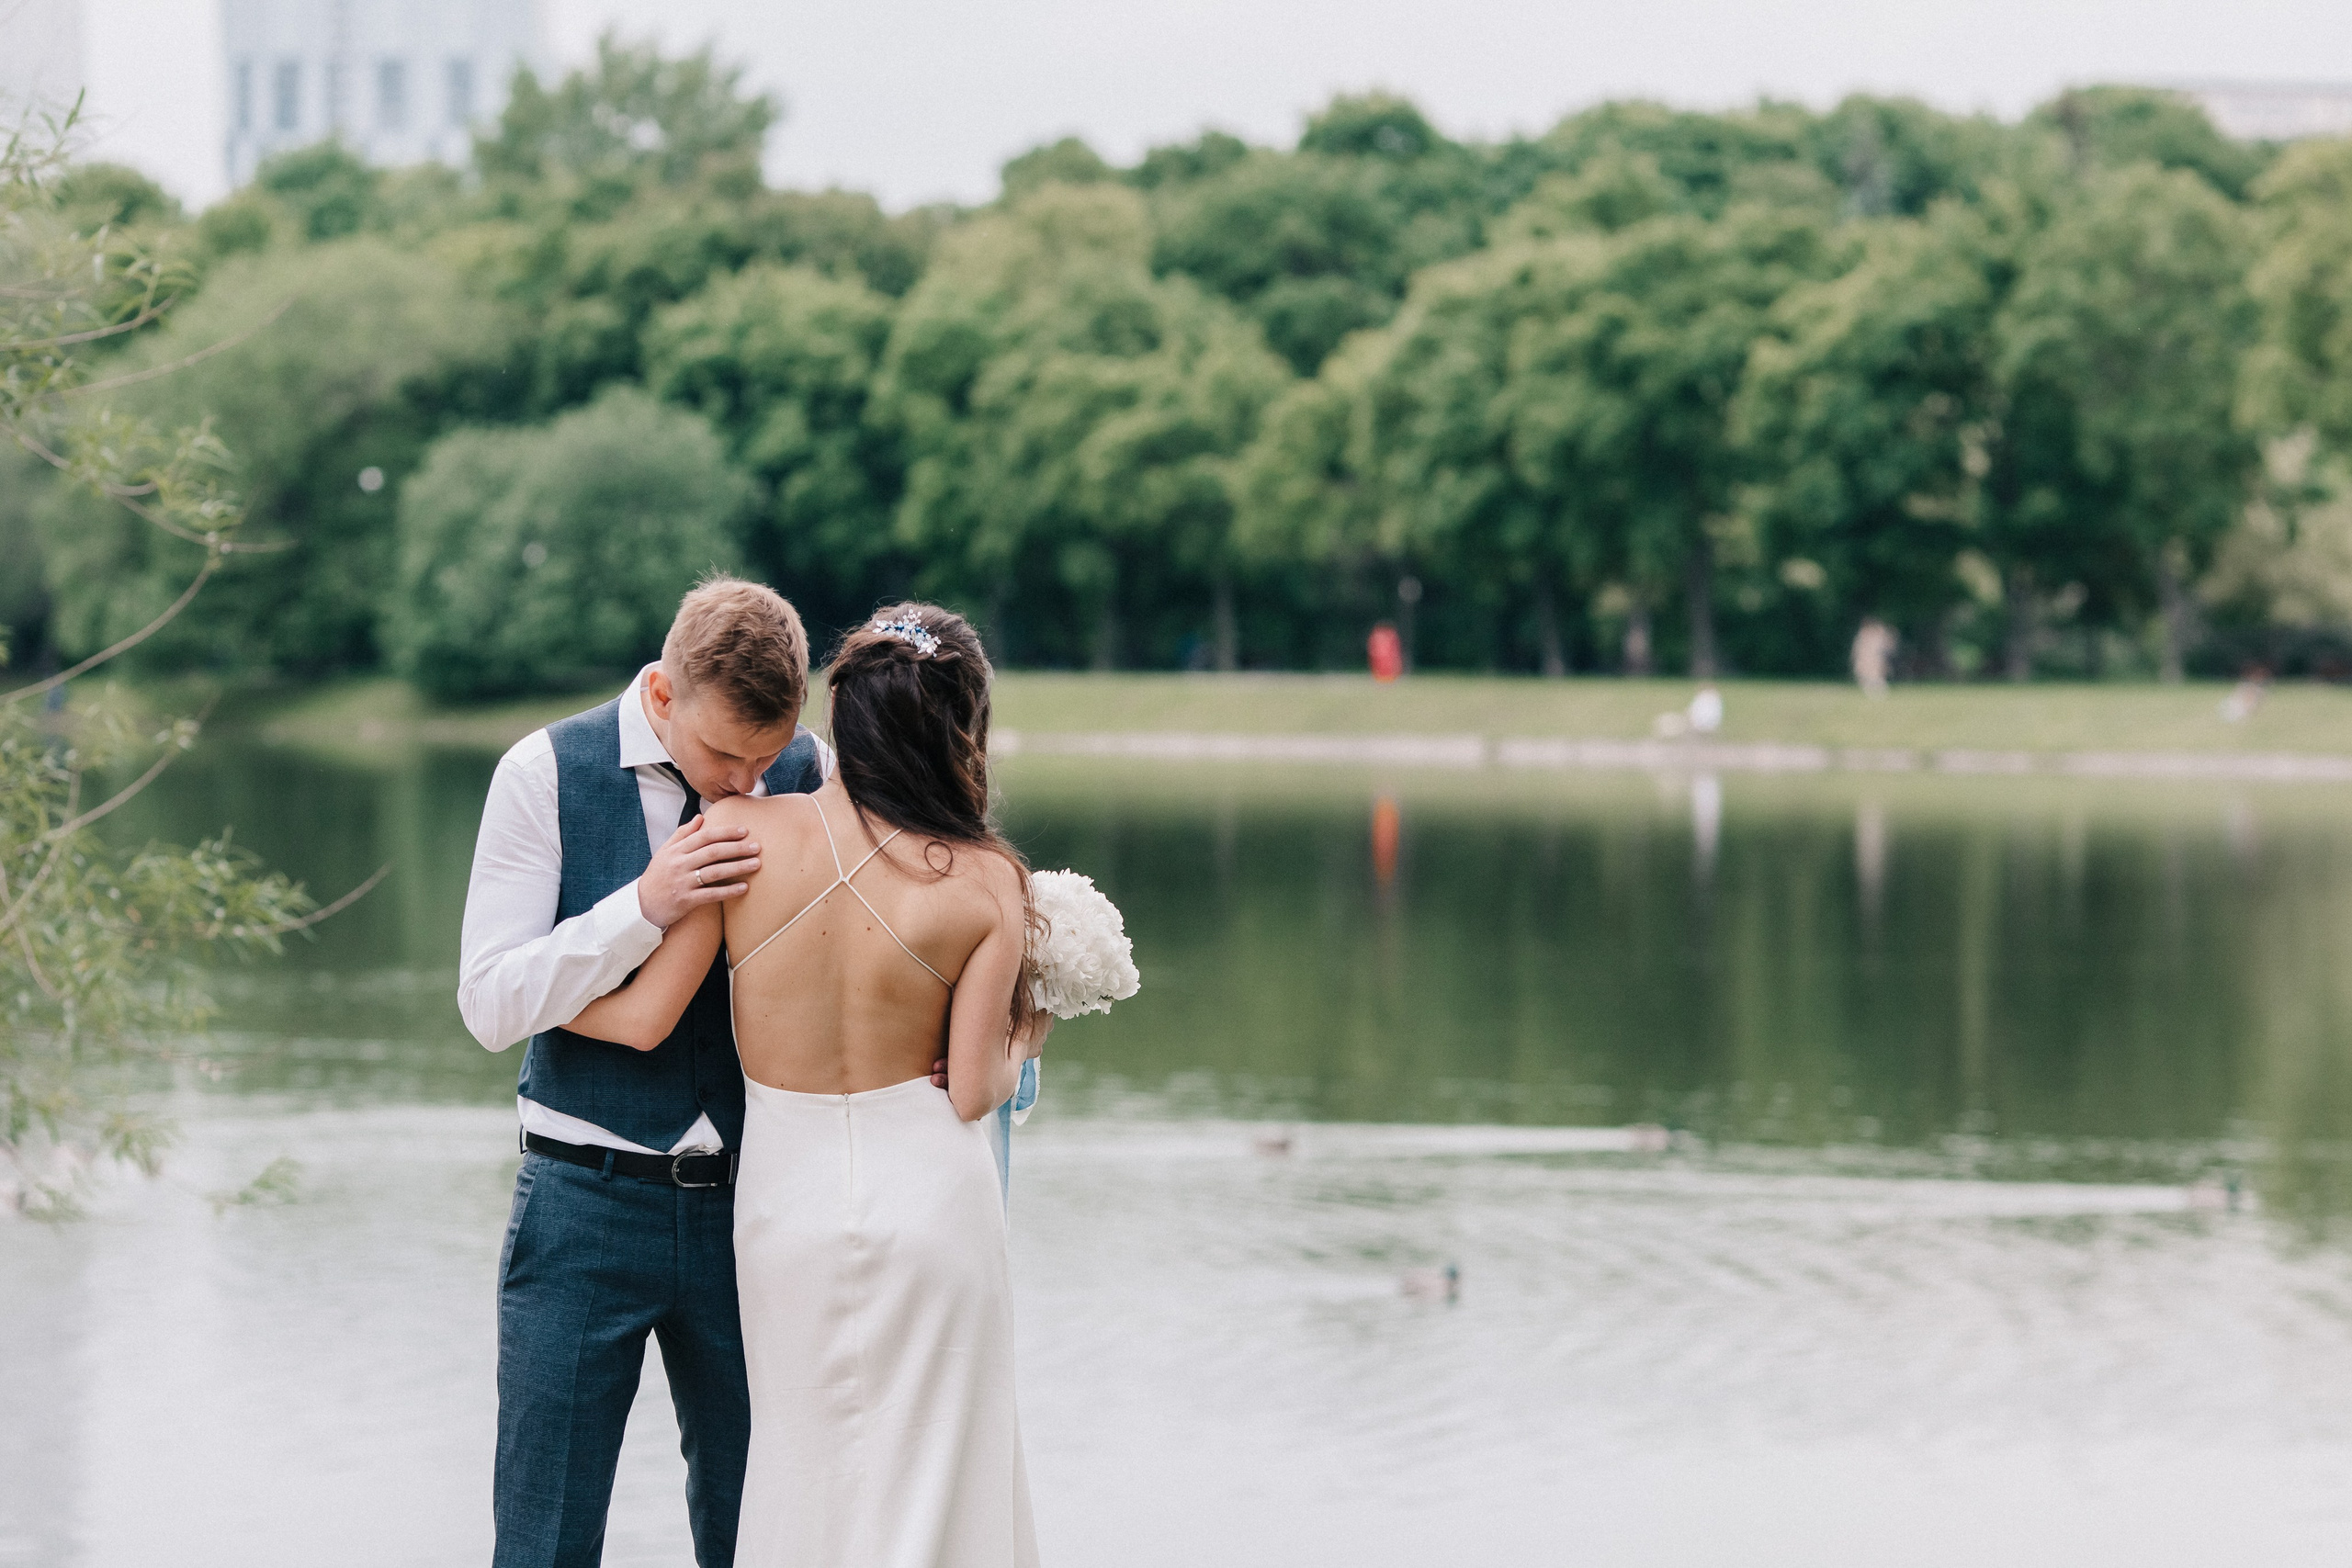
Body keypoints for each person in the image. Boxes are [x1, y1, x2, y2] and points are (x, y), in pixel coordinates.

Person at [568, 604, 1049, 1567]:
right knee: (938, 1474)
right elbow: (971, 1089)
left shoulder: (739, 832)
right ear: (959, 732)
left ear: (840, 716)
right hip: (933, 1205)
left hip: (785, 1213)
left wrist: (528, 1005)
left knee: (801, 1466)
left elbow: (643, 1014)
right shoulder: (988, 881)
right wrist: (1033, 1029)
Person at [459, 576, 910, 1568]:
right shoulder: (542, 773)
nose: (747, 785)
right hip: (583, 1205)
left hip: (756, 1214)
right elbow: (489, 1003)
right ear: (661, 693)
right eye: (722, 756)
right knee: (543, 1542)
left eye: (765, 756)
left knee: (763, 1534)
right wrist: (644, 904)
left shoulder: (812, 770)